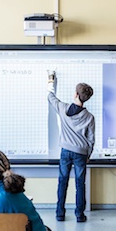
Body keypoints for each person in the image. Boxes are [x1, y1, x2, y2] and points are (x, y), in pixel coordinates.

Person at [47, 71, 95, 222]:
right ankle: (79, 215)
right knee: (80, 184)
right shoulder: (90, 117)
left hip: (66, 151)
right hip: (81, 153)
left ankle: (60, 213)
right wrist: (88, 155)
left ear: (76, 94)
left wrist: (51, 83)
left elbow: (50, 97)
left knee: (63, 181)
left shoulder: (63, 108)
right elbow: (91, 139)